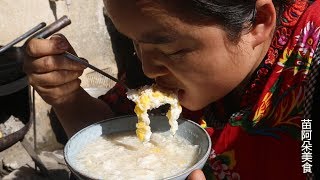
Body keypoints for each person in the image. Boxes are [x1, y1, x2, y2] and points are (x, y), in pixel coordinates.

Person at [23, 0, 320, 179]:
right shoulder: (152, 60)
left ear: (258, 21)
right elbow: (113, 143)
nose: (149, 68)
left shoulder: (310, 74)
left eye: (173, 50)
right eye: (132, 42)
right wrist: (66, 96)